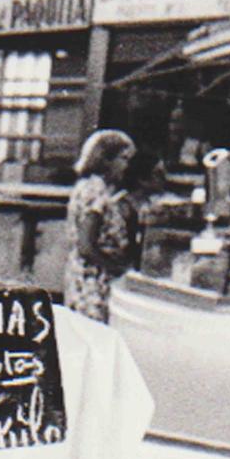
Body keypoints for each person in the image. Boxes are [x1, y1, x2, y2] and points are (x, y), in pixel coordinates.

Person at [65, 129, 137, 322]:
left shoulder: (90, 187)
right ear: (105, 159)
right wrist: (115, 267)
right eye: (123, 159)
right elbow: (86, 245)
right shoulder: (95, 190)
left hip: (86, 278)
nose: (127, 166)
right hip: (92, 281)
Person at [102, 148, 166, 280]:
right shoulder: (119, 207)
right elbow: (118, 250)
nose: (164, 178)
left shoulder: (151, 204)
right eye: (158, 174)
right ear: (142, 179)